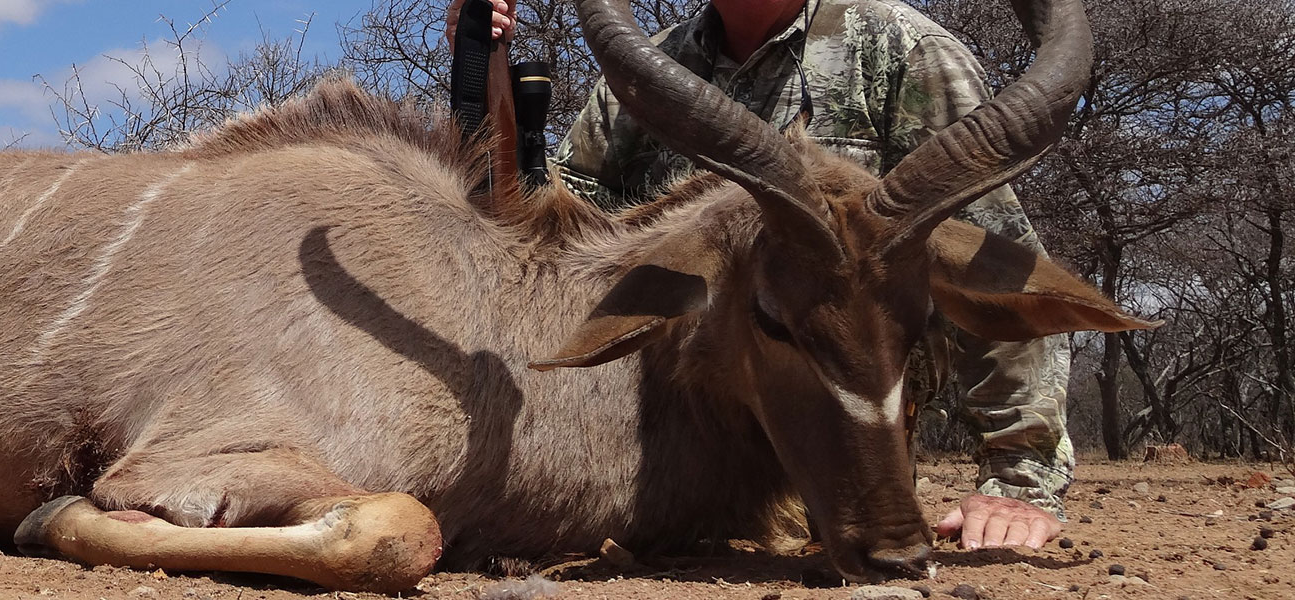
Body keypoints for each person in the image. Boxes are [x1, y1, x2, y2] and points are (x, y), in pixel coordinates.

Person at [451, 0, 1075, 551]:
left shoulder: (906, 52)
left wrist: (1020, 481)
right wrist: (480, 73)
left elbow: (998, 265)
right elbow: (567, 250)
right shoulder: (647, 70)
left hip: (850, 445)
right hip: (674, 444)